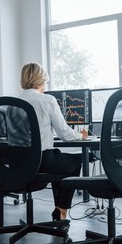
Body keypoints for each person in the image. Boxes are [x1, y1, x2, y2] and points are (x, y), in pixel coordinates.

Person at [18, 62, 88, 221]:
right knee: (74, 163)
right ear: (41, 80)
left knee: (59, 162)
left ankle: (59, 209)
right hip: (43, 161)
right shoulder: (47, 100)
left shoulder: (11, 104)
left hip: (19, 163)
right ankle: (61, 211)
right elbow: (65, 134)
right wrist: (81, 135)